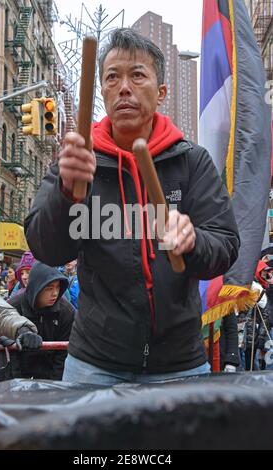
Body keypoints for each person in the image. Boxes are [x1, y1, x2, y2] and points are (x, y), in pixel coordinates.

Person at [25, 28, 240, 386]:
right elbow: (45, 247)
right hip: (94, 365)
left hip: (180, 364)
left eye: (137, 74)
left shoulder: (191, 162)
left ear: (161, 92)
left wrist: (193, 241)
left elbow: (225, 245)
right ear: (103, 92)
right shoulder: (78, 158)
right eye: (112, 77)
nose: (124, 87)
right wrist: (66, 192)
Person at [8, 261, 75, 380]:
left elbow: (63, 355)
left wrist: (55, 385)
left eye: (58, 287)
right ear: (36, 287)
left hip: (50, 380)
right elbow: (9, 354)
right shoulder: (13, 306)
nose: (55, 293)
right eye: (49, 288)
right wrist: (17, 382)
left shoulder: (66, 311)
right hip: (17, 381)